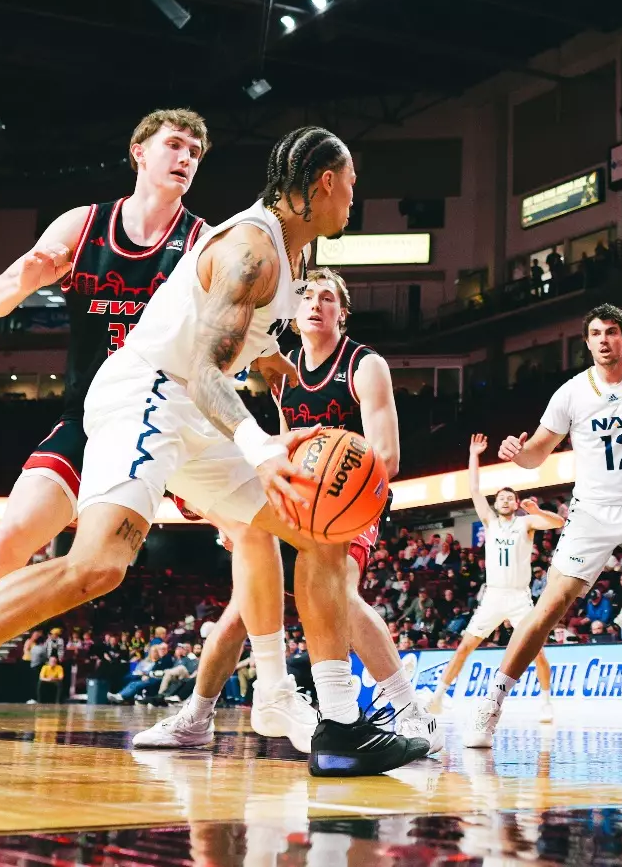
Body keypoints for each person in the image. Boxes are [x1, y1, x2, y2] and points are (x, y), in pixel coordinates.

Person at [0, 127, 429, 785]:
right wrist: (259, 446)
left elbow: (231, 346)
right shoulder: (253, 248)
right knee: (96, 567)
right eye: (351, 184)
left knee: (320, 529)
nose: (354, 197)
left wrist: (269, 362)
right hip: (150, 394)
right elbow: (202, 368)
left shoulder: (294, 255)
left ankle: (339, 726)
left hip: (196, 414)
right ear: (322, 184)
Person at [0, 110, 209, 765]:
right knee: (8, 541)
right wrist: (24, 278)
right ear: (139, 152)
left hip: (160, 421)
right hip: (86, 416)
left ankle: (254, 697)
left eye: (196, 151)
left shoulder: (202, 241)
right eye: (175, 145)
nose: (186, 157)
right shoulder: (83, 225)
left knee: (236, 540)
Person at [135, 267, 440, 754]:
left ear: (343, 312)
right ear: (293, 315)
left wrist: (330, 474)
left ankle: (411, 711)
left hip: (352, 502)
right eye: (307, 298)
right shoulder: (283, 374)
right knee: (245, 611)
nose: (316, 304)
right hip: (298, 501)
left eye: (328, 298)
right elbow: (280, 446)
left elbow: (387, 456)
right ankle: (197, 716)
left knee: (339, 591)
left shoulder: (364, 365)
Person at [464, 304, 622, 750]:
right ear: (587, 343)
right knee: (545, 611)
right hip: (591, 514)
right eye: (595, 334)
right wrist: (515, 452)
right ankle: (490, 706)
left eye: (611, 332)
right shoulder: (570, 393)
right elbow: (535, 457)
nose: (603, 340)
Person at [424, 435, 564, 719]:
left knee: (537, 651)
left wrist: (538, 511)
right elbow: (474, 489)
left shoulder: (526, 523)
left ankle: (546, 701)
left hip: (519, 597)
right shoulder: (489, 521)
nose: (504, 500)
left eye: (509, 498)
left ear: (515, 503)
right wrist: (474, 454)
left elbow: (559, 522)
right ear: (497, 503)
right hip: (494, 595)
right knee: (465, 646)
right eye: (500, 497)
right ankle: (439, 696)